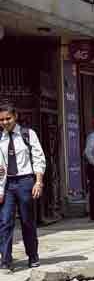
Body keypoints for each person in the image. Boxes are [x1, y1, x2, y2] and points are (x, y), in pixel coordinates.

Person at [0, 102, 46, 272]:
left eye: (8, 118)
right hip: (7, 184)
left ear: (15, 117)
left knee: (27, 221)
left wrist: (38, 181)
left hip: (26, 182)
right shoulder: (1, 139)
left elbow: (38, 158)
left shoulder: (28, 134)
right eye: (2, 120)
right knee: (5, 222)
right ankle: (5, 260)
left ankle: (33, 256)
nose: (5, 122)